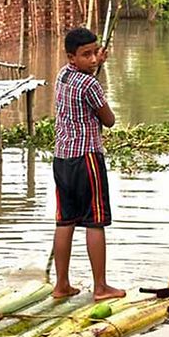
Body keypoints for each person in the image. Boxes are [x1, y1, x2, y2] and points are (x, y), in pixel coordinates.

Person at [51, 27, 126, 302]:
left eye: (96, 53)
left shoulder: (63, 75)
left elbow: (85, 78)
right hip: (87, 159)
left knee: (65, 220)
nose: (94, 59)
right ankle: (101, 287)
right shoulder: (90, 85)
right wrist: (97, 76)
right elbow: (109, 120)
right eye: (87, 55)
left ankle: (61, 285)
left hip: (62, 159)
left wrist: (96, 66)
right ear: (73, 57)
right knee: (95, 222)